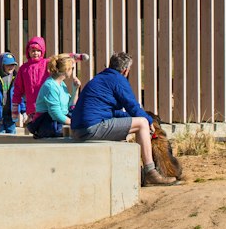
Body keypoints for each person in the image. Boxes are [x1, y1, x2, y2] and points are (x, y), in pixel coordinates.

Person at [71, 51, 177, 185]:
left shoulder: (99, 78)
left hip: (77, 130)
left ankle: (132, 173)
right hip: (91, 128)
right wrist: (149, 121)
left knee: (133, 125)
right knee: (142, 123)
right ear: (125, 70)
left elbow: (113, 112)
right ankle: (151, 173)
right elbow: (133, 107)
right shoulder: (118, 79)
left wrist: (129, 118)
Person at [32, 54, 76, 138]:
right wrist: (74, 123)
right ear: (66, 69)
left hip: (58, 124)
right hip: (49, 126)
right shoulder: (50, 86)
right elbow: (55, 114)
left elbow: (70, 106)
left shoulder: (61, 84)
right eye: (72, 68)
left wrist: (75, 89)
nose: (73, 71)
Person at [12, 37, 50, 127]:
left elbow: (61, 60)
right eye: (32, 50)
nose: (35, 53)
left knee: (46, 130)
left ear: (42, 51)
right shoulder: (24, 68)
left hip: (47, 106)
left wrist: (77, 57)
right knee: (35, 131)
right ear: (28, 52)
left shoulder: (47, 63)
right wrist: (15, 107)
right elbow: (18, 88)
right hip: (32, 108)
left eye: (38, 50)